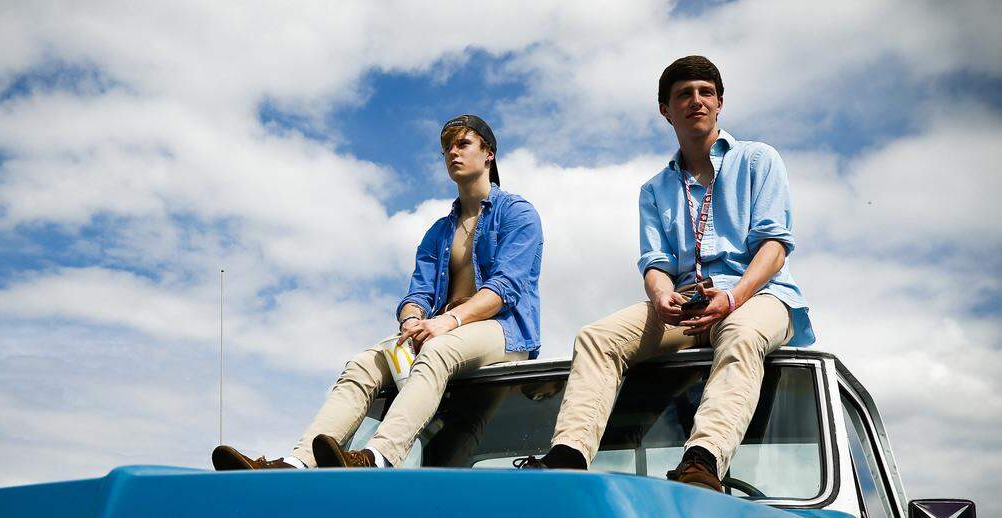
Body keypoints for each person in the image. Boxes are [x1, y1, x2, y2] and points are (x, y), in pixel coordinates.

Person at [517, 55, 814, 490]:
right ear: (665, 110)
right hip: (685, 303)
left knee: (742, 335)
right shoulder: (654, 189)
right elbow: (655, 264)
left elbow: (775, 246)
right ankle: (568, 457)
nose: (697, 100)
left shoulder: (757, 159)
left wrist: (733, 297)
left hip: (760, 295)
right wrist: (660, 296)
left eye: (705, 92)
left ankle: (703, 462)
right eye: (684, 94)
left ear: (720, 103)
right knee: (597, 337)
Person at [213, 115, 543, 470]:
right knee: (363, 364)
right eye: (446, 148)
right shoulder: (439, 231)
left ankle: (377, 456)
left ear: (488, 154)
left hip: (504, 332)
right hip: (443, 329)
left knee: (436, 351)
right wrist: (413, 320)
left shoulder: (517, 214)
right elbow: (417, 292)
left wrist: (447, 322)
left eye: (462, 145)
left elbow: (505, 288)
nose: (452, 154)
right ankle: (297, 463)